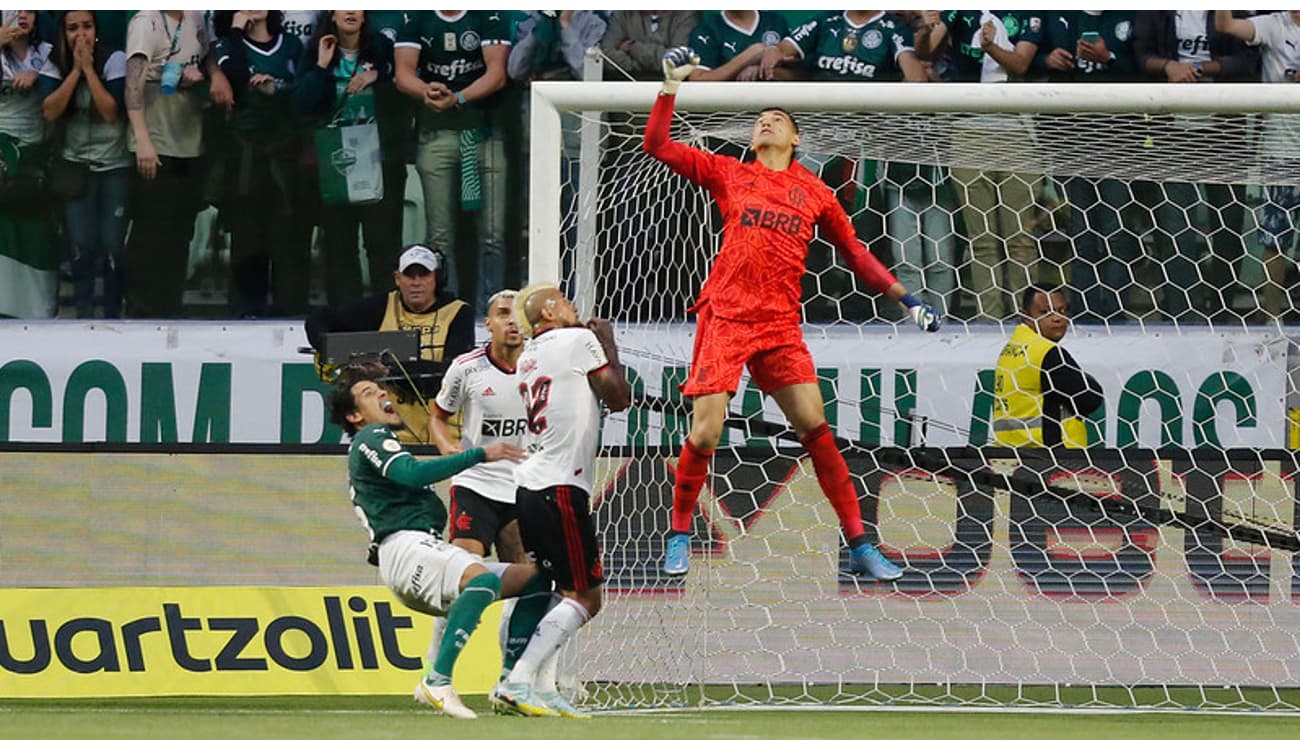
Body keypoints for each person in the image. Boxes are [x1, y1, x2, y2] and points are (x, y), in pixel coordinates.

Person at [644, 48, 941, 581]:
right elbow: (658, 145)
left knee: (816, 428)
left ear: (796, 139)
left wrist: (907, 298)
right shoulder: (729, 173)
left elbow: (856, 254)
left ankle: (859, 542)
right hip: (728, 316)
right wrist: (669, 90)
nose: (766, 121)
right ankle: (680, 532)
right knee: (707, 433)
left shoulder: (815, 192)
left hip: (779, 324)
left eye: (778, 119)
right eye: (762, 118)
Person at [327, 369, 549, 720]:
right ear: (354, 416)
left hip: (415, 550)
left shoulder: (380, 444)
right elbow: (412, 475)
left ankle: (510, 683)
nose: (384, 394)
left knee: (537, 580)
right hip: (405, 548)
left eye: (382, 389)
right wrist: (478, 454)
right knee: (483, 580)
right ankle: (438, 679)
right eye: (370, 393)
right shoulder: (371, 436)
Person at [490, 283, 631, 719]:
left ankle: (537, 686)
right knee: (586, 597)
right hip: (561, 489)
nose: (574, 305)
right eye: (566, 299)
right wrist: (605, 339)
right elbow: (618, 397)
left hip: (530, 487)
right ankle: (518, 680)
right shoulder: (578, 339)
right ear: (551, 309)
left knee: (554, 590)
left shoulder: (529, 354)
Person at [913, 10, 1045, 321]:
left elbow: (1021, 63)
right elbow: (924, 50)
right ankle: (990, 319)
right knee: (981, 238)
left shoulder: (1031, 11)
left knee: (1020, 238)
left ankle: (1027, 320)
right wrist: (924, 28)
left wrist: (991, 47)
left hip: (1017, 130)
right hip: (968, 130)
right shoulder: (959, 11)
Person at [1133, 10, 1259, 322]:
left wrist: (1200, 69)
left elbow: (1247, 60)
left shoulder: (1231, 10)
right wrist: (1169, 67)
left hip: (1224, 130)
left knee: (1228, 226)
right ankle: (1181, 313)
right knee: (1176, 228)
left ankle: (1223, 311)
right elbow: (1140, 53)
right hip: (1171, 131)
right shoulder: (1157, 11)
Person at [394, 10, 511, 315]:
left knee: (492, 233)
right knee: (439, 234)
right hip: (437, 134)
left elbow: (497, 74)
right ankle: (448, 313)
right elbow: (403, 74)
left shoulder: (489, 14)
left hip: (484, 133)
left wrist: (457, 98)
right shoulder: (417, 17)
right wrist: (426, 90)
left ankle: (494, 311)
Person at [305, 243, 474, 445]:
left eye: (424, 275)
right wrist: (334, 350)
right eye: (409, 275)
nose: (416, 282)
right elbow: (319, 319)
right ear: (397, 278)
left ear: (436, 278)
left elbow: (453, 373)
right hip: (391, 438)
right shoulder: (382, 305)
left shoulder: (458, 313)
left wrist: (389, 370)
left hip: (447, 437)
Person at [123, 10, 233, 318]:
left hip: (190, 142)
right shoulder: (147, 21)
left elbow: (207, 52)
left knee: (180, 234)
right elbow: (133, 83)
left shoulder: (196, 18)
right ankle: (140, 310)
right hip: (155, 143)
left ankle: (169, 307)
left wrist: (216, 74)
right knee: (150, 233)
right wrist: (142, 139)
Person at [292, 10, 404, 305]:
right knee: (339, 245)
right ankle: (347, 315)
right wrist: (321, 66)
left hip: (378, 159)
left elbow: (402, 96)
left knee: (382, 243)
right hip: (335, 162)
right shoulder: (315, 48)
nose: (351, 11)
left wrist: (378, 75)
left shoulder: (382, 48)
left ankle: (387, 313)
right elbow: (302, 104)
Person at [38, 10, 129, 320]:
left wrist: (90, 70)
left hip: (114, 165)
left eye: (87, 27)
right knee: (80, 243)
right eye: (73, 28)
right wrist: (75, 71)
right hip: (75, 166)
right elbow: (49, 110)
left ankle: (114, 312)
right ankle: (83, 311)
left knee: (112, 242)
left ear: (97, 30)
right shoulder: (54, 62)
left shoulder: (114, 59)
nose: (81, 34)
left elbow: (110, 112)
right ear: (63, 32)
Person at [214, 10, 304, 318]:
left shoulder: (291, 44)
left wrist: (275, 90)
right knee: (246, 239)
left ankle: (286, 314)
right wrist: (237, 31)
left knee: (285, 239)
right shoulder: (228, 45)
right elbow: (237, 76)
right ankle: (244, 312)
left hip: (284, 154)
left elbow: (305, 89)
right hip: (244, 155)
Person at [1213, 10, 1300, 320]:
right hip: (1282, 152)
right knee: (1276, 240)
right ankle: (1272, 317)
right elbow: (1225, 25)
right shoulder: (1275, 25)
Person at [992, 284, 1104, 448]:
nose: (1057, 318)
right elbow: (1090, 398)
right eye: (1045, 312)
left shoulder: (1012, 347)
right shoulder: (1046, 353)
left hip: (1011, 452)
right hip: (1052, 457)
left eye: (1062, 311)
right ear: (1026, 316)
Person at [0, 10, 57, 319]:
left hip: (35, 156)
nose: (22, 14)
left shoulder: (48, 52)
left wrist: (39, 76)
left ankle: (36, 309)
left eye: (29, 9)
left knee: (34, 233)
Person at [686, 10, 788, 82]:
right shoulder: (708, 29)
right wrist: (748, 56)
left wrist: (761, 71)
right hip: (728, 107)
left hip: (774, 104)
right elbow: (697, 79)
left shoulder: (776, 21)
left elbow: (798, 72)